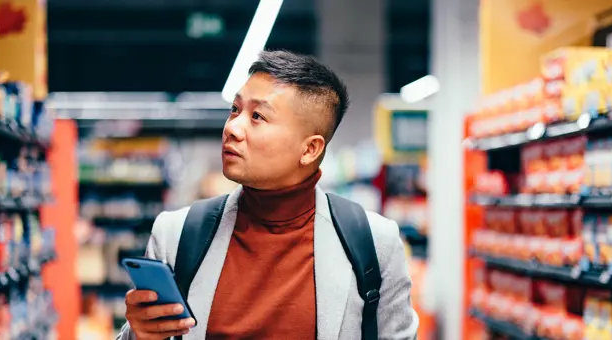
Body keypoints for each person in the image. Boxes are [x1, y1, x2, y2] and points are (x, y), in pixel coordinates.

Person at [117, 50, 419, 340]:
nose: (232, 128)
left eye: (258, 116)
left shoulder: (374, 244)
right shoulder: (176, 235)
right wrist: (140, 335)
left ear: (310, 149)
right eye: (235, 109)